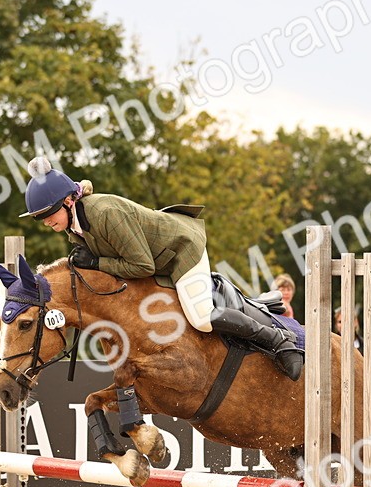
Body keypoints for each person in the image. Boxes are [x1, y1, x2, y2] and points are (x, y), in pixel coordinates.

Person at [20, 157, 303, 380]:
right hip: (156, 260)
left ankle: (279, 340)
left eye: (47, 213)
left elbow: (141, 265)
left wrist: (96, 263)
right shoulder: (74, 227)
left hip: (180, 250)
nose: (45, 221)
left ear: (68, 201)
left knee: (201, 317)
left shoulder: (106, 213)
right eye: (38, 218)